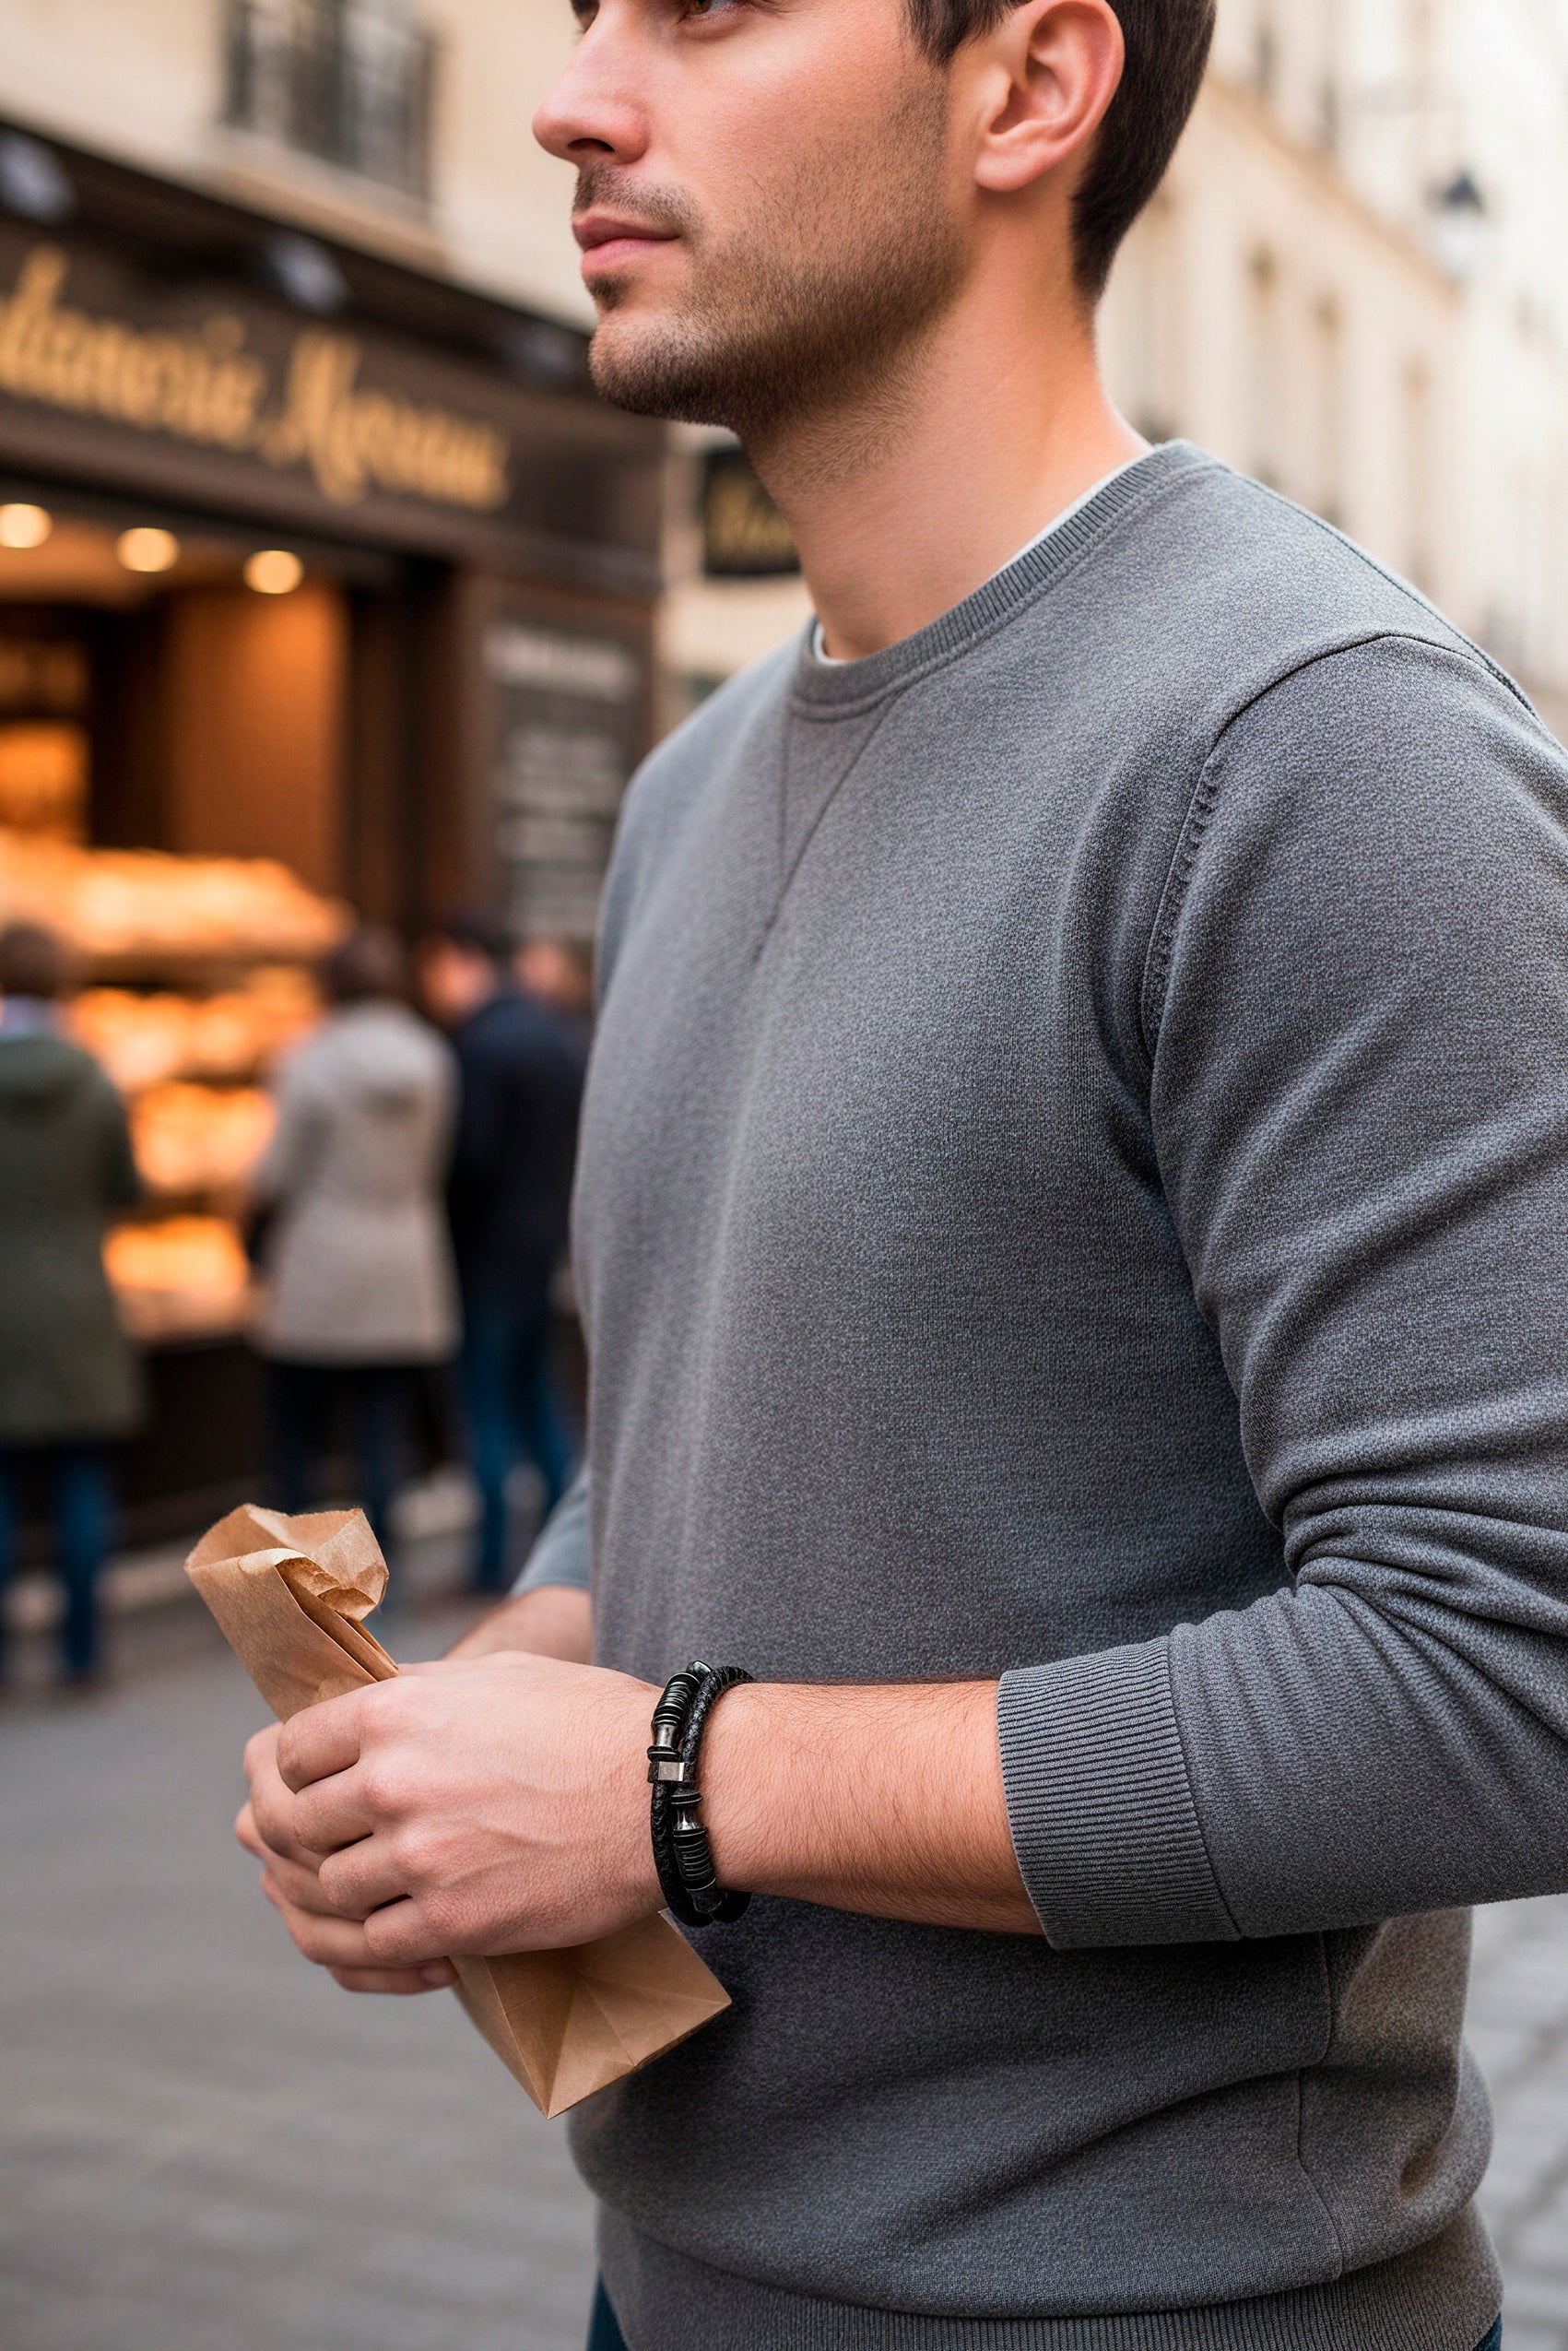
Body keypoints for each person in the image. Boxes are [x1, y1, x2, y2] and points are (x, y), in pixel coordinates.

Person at [233, 6, 1568, 2350]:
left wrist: (668, 1777)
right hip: (662, 2289)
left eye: (708, 10)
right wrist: (498, 1707)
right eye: (580, 17)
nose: (574, 95)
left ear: (1028, 89)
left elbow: (1515, 1680)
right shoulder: (683, 782)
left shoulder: (1318, 750)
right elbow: (689, 1436)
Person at [252, 927, 457, 1550]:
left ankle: (287, 1566)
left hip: (320, 1259)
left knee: (299, 1432)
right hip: (403, 1254)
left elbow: (274, 1172)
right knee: (381, 1426)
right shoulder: (432, 1056)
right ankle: (382, 1558)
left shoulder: (308, 1059)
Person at [419, 915, 587, 1592]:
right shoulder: (554, 1032)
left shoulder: (481, 1043)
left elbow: (470, 1160)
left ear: (461, 958)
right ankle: (561, 1555)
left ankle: (491, 1561)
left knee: (486, 1405)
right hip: (543, 1243)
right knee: (537, 1397)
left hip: (486, 1252)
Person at [0, 921, 141, 1687]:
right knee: (83, 1480)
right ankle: (83, 1654)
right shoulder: (93, 1078)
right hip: (79, 1299)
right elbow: (127, 1186)